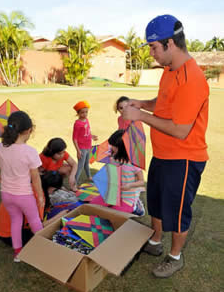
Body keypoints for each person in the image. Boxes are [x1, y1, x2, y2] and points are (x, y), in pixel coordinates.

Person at [122, 14, 209, 278]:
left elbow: (181, 130)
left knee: (178, 211)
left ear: (170, 43)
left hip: (184, 157)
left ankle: (175, 256)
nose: (151, 54)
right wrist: (142, 103)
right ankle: (155, 242)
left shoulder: (193, 78)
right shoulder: (171, 72)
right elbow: (163, 101)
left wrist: (140, 117)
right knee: (157, 204)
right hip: (163, 154)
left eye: (153, 47)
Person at [0, 111, 45, 262]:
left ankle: (17, 254)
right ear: (28, 131)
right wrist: (40, 196)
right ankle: (45, 249)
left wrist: (1, 179)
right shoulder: (30, 152)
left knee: (15, 221)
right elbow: (35, 178)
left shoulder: (1, 146)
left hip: (6, 195)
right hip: (24, 196)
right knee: (35, 221)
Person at [89, 130, 145, 213]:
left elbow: (141, 182)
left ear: (123, 148)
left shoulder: (134, 163)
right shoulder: (113, 159)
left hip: (127, 198)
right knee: (93, 206)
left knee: (114, 213)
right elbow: (109, 172)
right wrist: (98, 178)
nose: (111, 147)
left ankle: (136, 206)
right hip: (112, 194)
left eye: (114, 146)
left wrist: (130, 185)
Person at [72, 100, 98, 185]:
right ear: (78, 113)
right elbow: (74, 138)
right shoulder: (77, 124)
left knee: (87, 163)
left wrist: (92, 136)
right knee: (80, 166)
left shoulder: (86, 120)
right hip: (82, 148)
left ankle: (89, 176)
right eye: (82, 112)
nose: (85, 114)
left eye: (86, 112)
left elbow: (87, 132)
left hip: (88, 146)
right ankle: (74, 182)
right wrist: (78, 150)